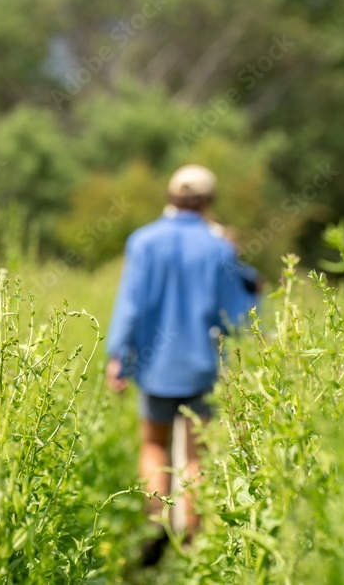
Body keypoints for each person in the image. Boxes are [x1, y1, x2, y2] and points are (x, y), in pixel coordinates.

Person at [105, 164, 258, 566]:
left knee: (154, 444)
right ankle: (192, 541)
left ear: (170, 196)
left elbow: (130, 306)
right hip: (203, 367)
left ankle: (156, 527)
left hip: (155, 367)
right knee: (195, 456)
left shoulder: (143, 241)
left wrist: (118, 355)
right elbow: (238, 316)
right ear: (208, 202)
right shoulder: (219, 247)